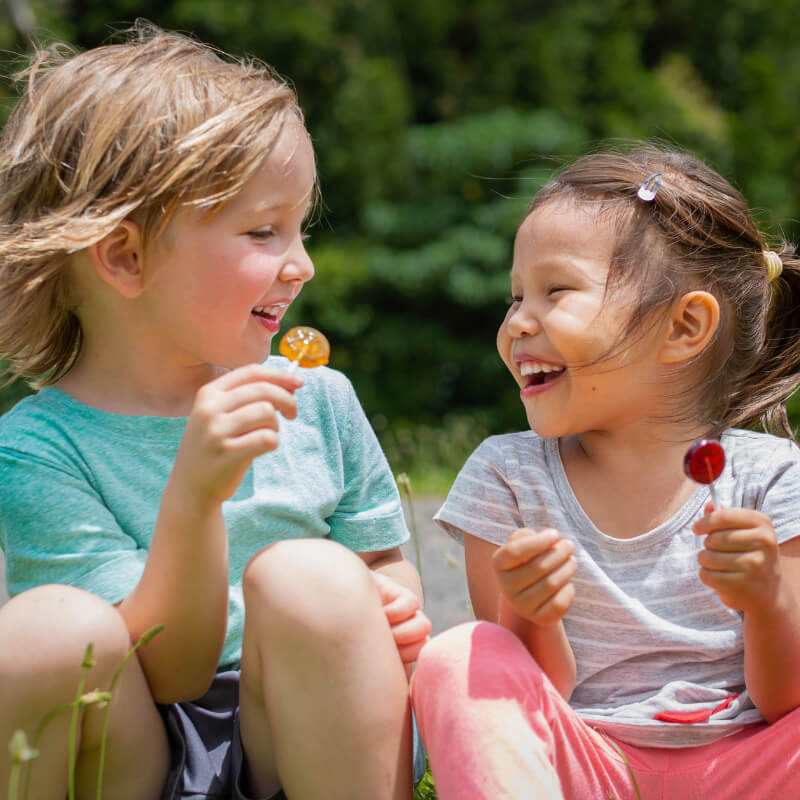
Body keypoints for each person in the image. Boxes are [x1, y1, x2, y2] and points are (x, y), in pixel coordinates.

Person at [0, 22, 430, 800]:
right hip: (136, 752)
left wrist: (391, 604)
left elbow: (381, 566)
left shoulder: (318, 402)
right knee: (49, 631)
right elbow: (170, 669)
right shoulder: (38, 447)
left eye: (299, 228)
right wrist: (195, 496)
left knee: (315, 577)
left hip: (299, 738)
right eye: (263, 231)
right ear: (126, 257)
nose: (299, 264)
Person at [411, 144, 800, 799]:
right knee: (463, 655)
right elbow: (534, 692)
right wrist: (529, 613)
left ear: (684, 327)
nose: (515, 324)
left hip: (745, 771)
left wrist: (767, 602)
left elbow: (784, 696)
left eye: (554, 291)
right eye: (515, 296)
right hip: (581, 768)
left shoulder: (770, 476)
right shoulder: (506, 477)